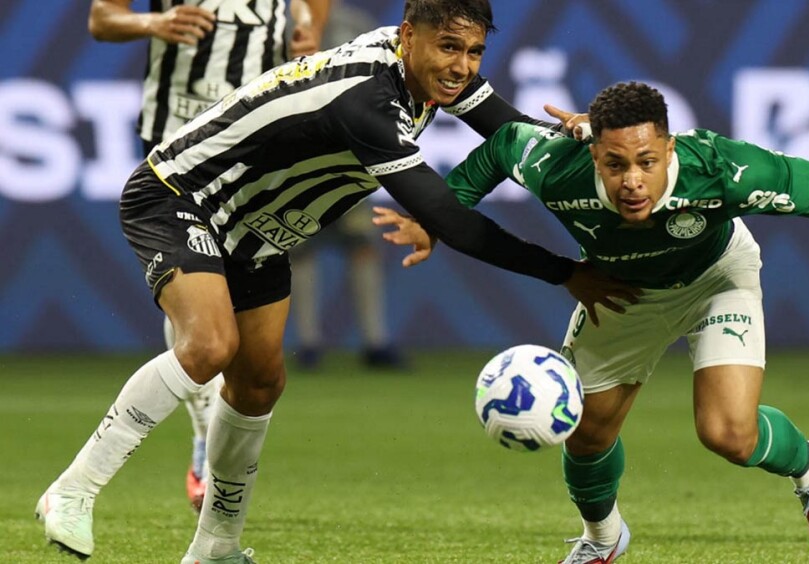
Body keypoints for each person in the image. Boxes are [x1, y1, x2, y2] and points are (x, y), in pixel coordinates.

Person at [35, 1, 638, 562]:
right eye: (449, 48)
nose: (462, 66)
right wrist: (566, 273)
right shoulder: (366, 100)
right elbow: (450, 221)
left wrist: (585, 138)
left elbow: (509, 133)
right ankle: (73, 491)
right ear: (408, 36)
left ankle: (216, 546)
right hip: (181, 195)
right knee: (210, 345)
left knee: (260, 383)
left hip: (259, 231)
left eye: (475, 51)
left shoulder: (427, 74)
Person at [374, 81, 809, 564]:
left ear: (670, 148)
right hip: (622, 292)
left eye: (647, 161)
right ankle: (603, 539)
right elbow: (500, 147)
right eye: (615, 164)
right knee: (585, 432)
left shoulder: (719, 169)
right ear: (594, 155)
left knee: (728, 434)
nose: (632, 181)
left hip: (717, 278)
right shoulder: (556, 165)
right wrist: (438, 216)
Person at [74, 0, 329, 520]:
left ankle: (211, 435)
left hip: (257, 137)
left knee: (240, 311)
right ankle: (203, 427)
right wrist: (154, 22)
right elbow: (102, 18)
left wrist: (309, 32)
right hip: (177, 137)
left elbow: (310, 10)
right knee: (196, 290)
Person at [289, 0, 406, 371]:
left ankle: (375, 342)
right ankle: (308, 343)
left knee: (363, 245)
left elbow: (380, 86)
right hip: (296, 161)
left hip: (347, 160)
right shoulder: (283, 26)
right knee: (298, 249)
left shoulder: (357, 25)